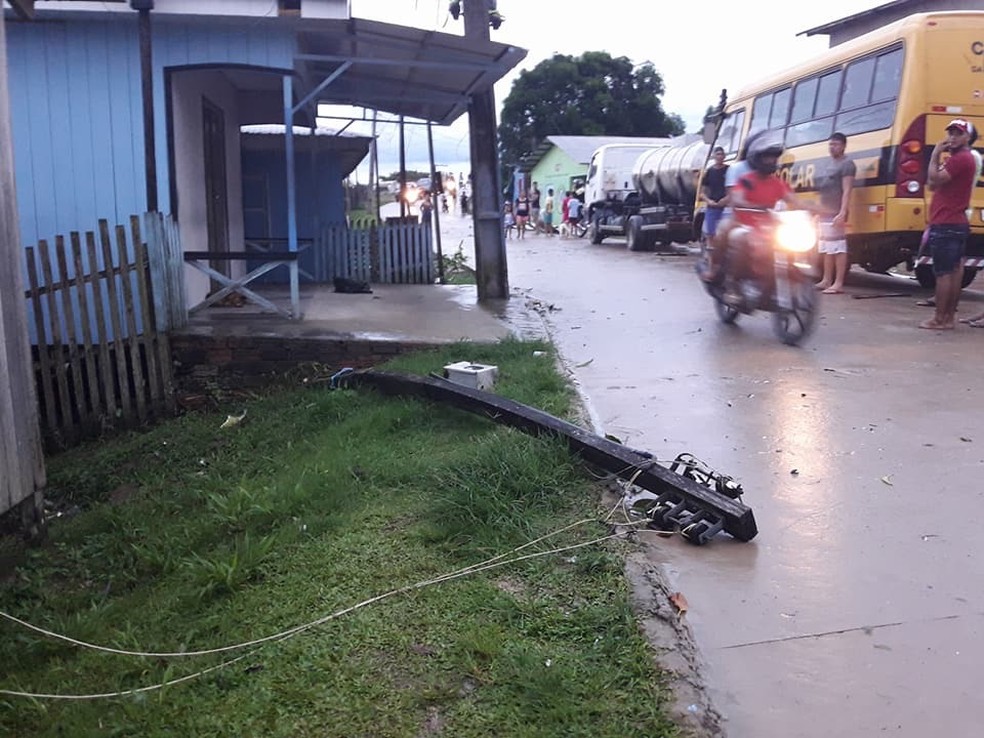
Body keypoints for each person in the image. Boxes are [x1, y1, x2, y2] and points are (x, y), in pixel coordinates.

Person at [725, 131, 812, 292]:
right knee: (739, 241)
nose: (771, 161)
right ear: (757, 158)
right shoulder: (746, 180)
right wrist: (753, 205)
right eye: (767, 157)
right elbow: (737, 198)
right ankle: (733, 283)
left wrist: (814, 208)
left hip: (769, 227)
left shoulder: (778, 183)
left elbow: (794, 200)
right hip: (746, 225)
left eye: (773, 157)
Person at [918, 119, 978, 330]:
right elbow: (933, 184)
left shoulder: (960, 159)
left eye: (957, 134)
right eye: (950, 133)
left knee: (943, 273)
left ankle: (940, 318)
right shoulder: (961, 159)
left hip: (946, 222)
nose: (951, 137)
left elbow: (933, 178)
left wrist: (934, 154)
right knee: (954, 271)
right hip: (956, 222)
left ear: (967, 137)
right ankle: (948, 317)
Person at [815, 132, 856, 294]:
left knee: (838, 247)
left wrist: (842, 212)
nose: (832, 148)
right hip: (825, 211)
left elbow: (847, 190)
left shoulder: (847, 164)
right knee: (827, 247)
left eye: (836, 145)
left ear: (843, 146)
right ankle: (826, 279)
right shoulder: (828, 163)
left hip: (837, 211)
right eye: (830, 144)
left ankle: (838, 283)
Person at [701, 146, 729, 240]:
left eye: (721, 154)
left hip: (727, 206)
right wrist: (708, 201)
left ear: (724, 156)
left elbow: (735, 188)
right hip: (712, 206)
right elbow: (702, 192)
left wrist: (726, 199)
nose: (720, 156)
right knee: (711, 233)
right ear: (713, 156)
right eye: (717, 154)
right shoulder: (709, 171)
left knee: (726, 233)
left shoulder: (729, 170)